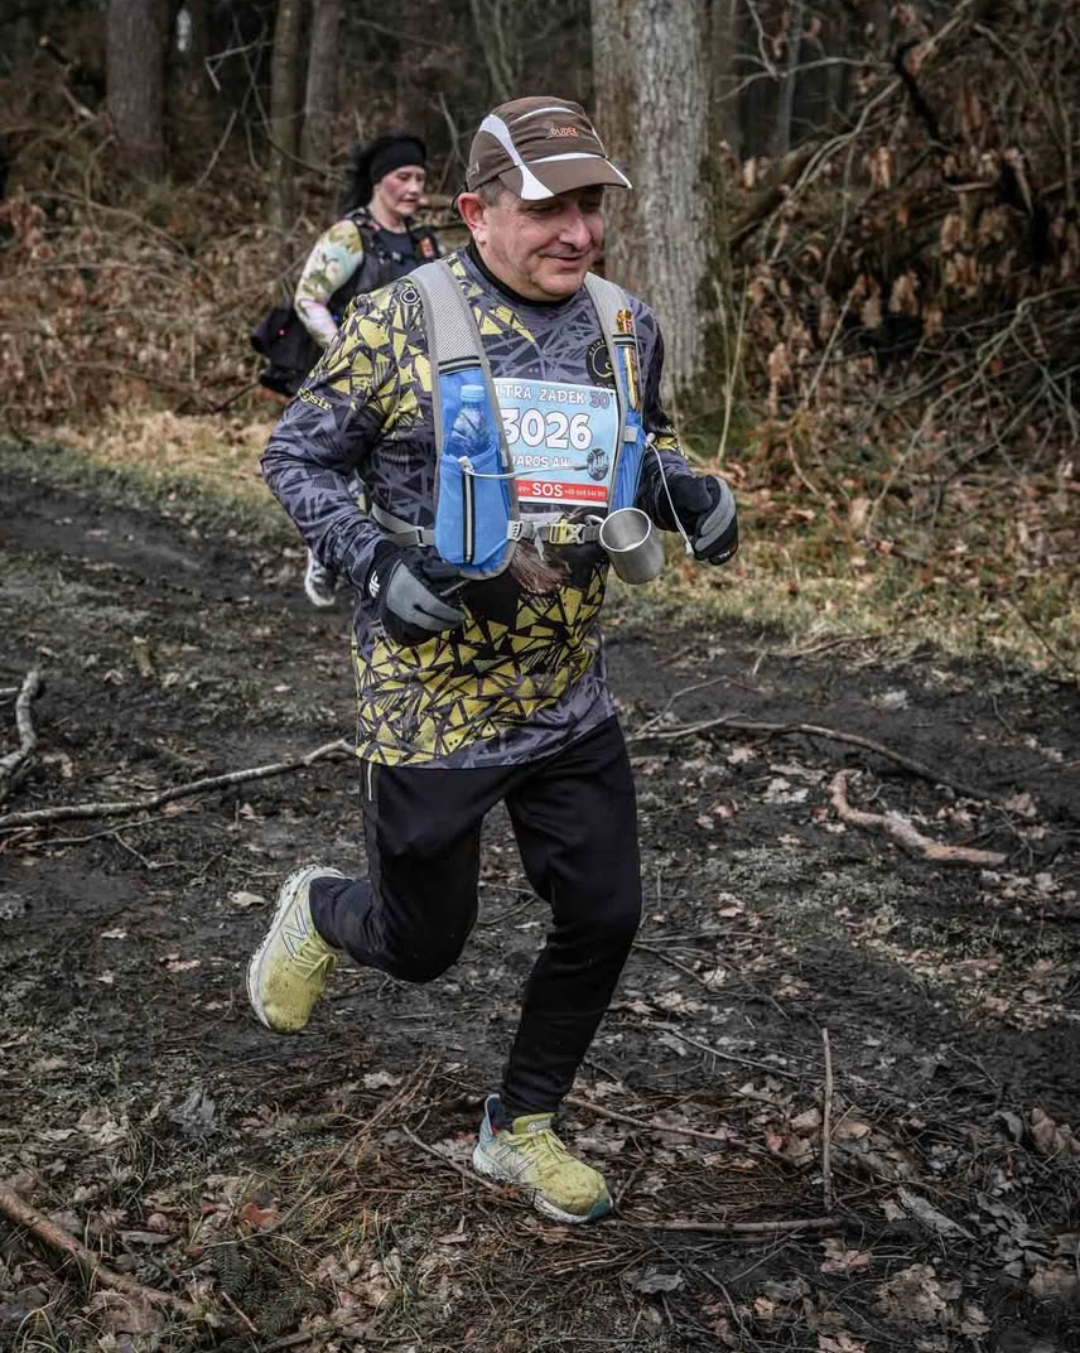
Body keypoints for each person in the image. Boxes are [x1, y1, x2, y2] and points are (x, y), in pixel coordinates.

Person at [247, 96, 739, 1225]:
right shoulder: (400, 319)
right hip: (430, 699)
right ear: (476, 212)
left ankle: (519, 1125)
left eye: (592, 206)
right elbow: (296, 456)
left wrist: (689, 494)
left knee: (606, 913)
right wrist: (372, 559)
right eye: (549, 207)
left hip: (566, 693)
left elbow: (642, 444)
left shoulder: (626, 323)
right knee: (423, 945)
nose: (579, 231)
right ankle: (321, 909)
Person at [293, 132, 441, 607]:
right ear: (380, 180)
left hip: (410, 382)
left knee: (396, 476)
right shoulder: (348, 235)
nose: (414, 188)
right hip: (350, 381)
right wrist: (349, 350)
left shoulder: (424, 242)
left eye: (420, 178)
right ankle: (325, 552)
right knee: (343, 476)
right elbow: (308, 298)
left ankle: (392, 566)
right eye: (404, 177)